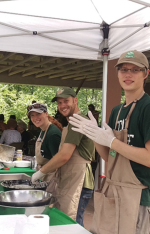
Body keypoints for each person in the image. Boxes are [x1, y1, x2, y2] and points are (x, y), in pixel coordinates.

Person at [69, 50, 150, 234]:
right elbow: (109, 157)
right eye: (123, 69)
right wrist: (95, 136)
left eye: (135, 70)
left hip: (136, 198)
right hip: (112, 195)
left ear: (146, 74)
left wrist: (112, 141)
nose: (128, 74)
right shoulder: (117, 111)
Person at [31, 87, 95, 226]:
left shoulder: (77, 122)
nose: (62, 106)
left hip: (80, 181)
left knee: (73, 226)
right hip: (71, 179)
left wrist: (40, 173)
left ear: (75, 100)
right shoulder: (71, 122)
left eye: (66, 101)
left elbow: (64, 156)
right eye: (59, 103)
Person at [27, 103, 62, 188]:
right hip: (44, 178)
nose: (35, 118)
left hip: (53, 180)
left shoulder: (52, 133)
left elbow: (58, 161)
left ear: (46, 114)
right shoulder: (42, 130)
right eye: (32, 115)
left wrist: (41, 172)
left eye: (38, 114)